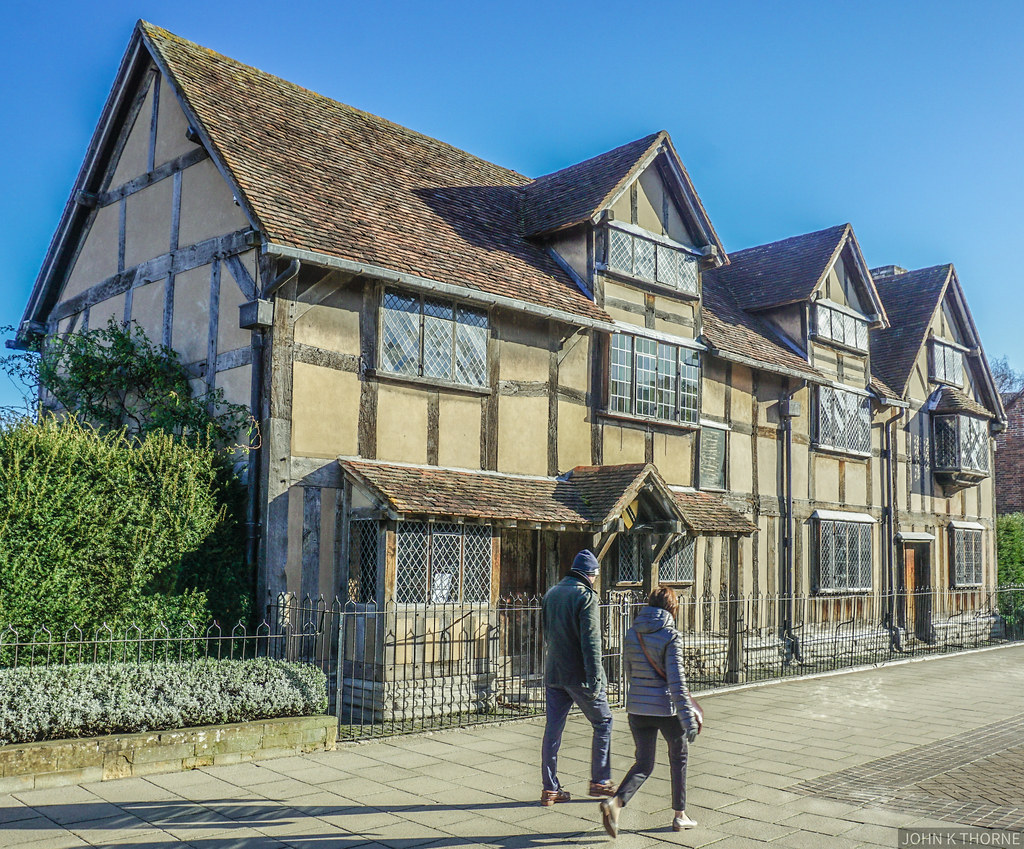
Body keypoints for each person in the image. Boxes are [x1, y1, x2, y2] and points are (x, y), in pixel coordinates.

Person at [600, 585, 702, 837]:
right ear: (672, 607)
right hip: (666, 710)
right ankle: (680, 816)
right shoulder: (670, 635)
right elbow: (676, 682)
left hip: (638, 708)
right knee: (678, 759)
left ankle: (615, 804)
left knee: (644, 763)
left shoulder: (632, 633)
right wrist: (688, 719)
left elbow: (628, 671)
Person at [539, 549, 615, 806]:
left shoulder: (551, 594)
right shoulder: (586, 597)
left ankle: (550, 789)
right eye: (595, 576)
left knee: (553, 731)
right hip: (579, 675)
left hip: (554, 672)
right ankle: (600, 781)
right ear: (590, 574)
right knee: (603, 721)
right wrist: (596, 680)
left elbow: (547, 633)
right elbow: (592, 643)